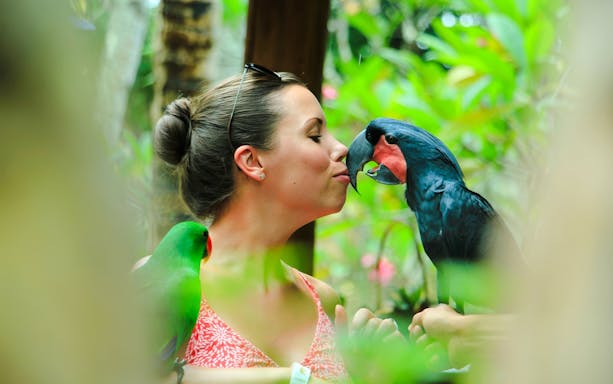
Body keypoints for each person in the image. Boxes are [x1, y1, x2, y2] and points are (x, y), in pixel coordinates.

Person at [151, 63, 402, 384]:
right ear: (252, 161)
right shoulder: (160, 284)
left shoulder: (324, 300)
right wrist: (293, 379)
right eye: (314, 135)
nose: (340, 149)